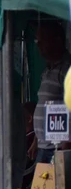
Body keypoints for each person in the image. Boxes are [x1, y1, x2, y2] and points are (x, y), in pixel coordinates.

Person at [31, 18, 71, 164]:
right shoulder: (48, 70)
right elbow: (45, 106)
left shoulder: (66, 69)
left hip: (59, 148)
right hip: (44, 145)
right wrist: (36, 140)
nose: (39, 46)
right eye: (37, 42)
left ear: (58, 41)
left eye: (43, 41)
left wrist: (66, 145)